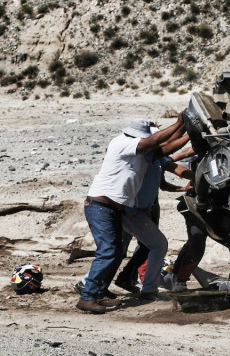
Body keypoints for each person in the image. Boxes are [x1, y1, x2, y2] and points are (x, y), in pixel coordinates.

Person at [76, 115, 187, 314]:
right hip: (100, 206)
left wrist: (186, 127)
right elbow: (154, 141)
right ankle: (88, 296)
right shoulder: (122, 143)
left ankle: (98, 291)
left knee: (115, 251)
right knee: (108, 251)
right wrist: (180, 123)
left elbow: (166, 148)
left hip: (112, 208)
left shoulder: (142, 153)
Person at [114, 147, 195, 293]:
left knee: (138, 247)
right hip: (132, 210)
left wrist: (183, 188)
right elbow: (179, 165)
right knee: (152, 245)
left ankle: (126, 278)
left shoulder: (157, 159)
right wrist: (199, 177)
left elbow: (165, 181)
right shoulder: (144, 158)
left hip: (143, 208)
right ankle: (145, 288)